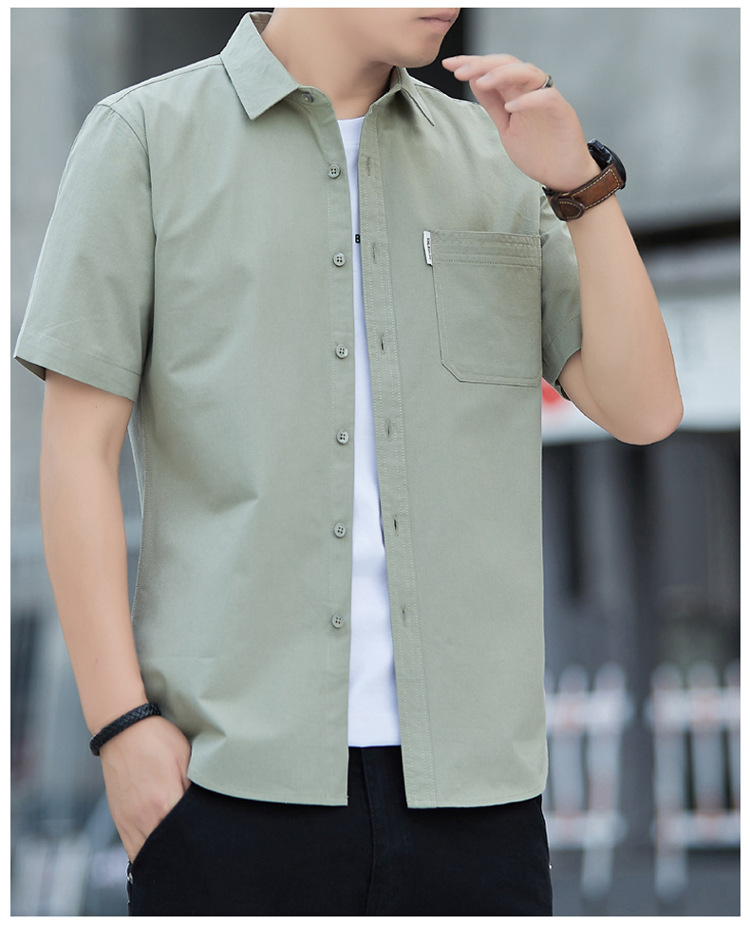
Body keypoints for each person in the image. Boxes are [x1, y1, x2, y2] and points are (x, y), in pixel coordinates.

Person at [14, 8, 682, 916]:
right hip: (226, 786)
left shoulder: (497, 155)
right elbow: (76, 455)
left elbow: (644, 410)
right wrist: (121, 731)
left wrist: (581, 188)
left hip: (477, 801)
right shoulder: (144, 140)